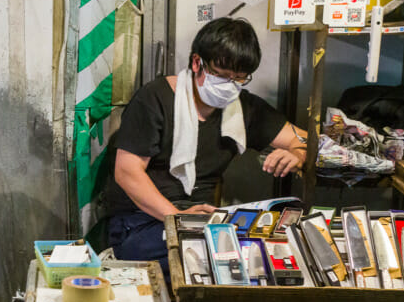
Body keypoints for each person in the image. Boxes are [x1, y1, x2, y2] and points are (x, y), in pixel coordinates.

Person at [101, 17, 307, 273]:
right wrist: (177, 218)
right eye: (221, 76)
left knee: (265, 249)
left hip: (204, 220)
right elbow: (127, 171)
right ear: (197, 62)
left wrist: (297, 154)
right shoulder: (155, 99)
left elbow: (303, 140)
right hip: (141, 224)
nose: (229, 87)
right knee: (215, 256)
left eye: (239, 79)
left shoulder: (243, 107)